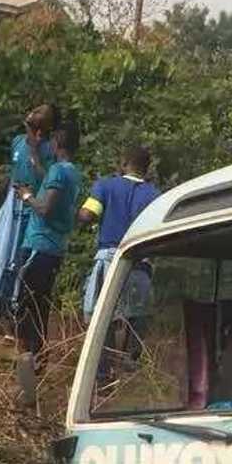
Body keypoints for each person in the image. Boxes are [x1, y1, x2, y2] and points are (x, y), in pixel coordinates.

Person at [12, 116, 83, 408]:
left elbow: (44, 207)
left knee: (23, 308)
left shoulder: (57, 171)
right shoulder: (71, 171)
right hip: (54, 249)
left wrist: (27, 196)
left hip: (38, 248)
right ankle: (37, 364)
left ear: (56, 144)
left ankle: (27, 373)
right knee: (39, 308)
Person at [78, 143, 159, 369]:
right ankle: (129, 368)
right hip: (139, 261)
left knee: (104, 318)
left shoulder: (105, 186)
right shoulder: (155, 195)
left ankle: (104, 373)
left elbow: (87, 215)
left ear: (123, 165)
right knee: (136, 317)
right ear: (147, 168)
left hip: (109, 259)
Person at [0, 104, 56, 336]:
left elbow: (49, 180)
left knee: (20, 261)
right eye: (33, 113)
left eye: (40, 116)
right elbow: (15, 172)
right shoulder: (17, 141)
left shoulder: (50, 149)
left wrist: (35, 152)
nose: (32, 117)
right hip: (11, 205)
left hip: (31, 208)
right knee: (1, 257)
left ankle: (13, 320)